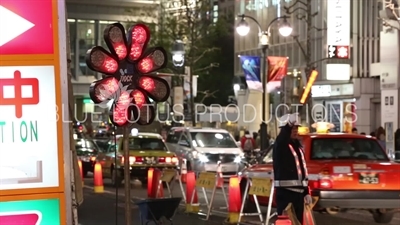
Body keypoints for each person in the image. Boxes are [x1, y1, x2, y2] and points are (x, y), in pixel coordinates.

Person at [273, 113, 312, 224]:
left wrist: (306, 192)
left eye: (296, 128)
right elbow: (281, 140)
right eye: (292, 128)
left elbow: (302, 172)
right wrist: (288, 125)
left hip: (299, 195)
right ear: (284, 130)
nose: (295, 130)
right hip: (286, 194)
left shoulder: (298, 147)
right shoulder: (281, 146)